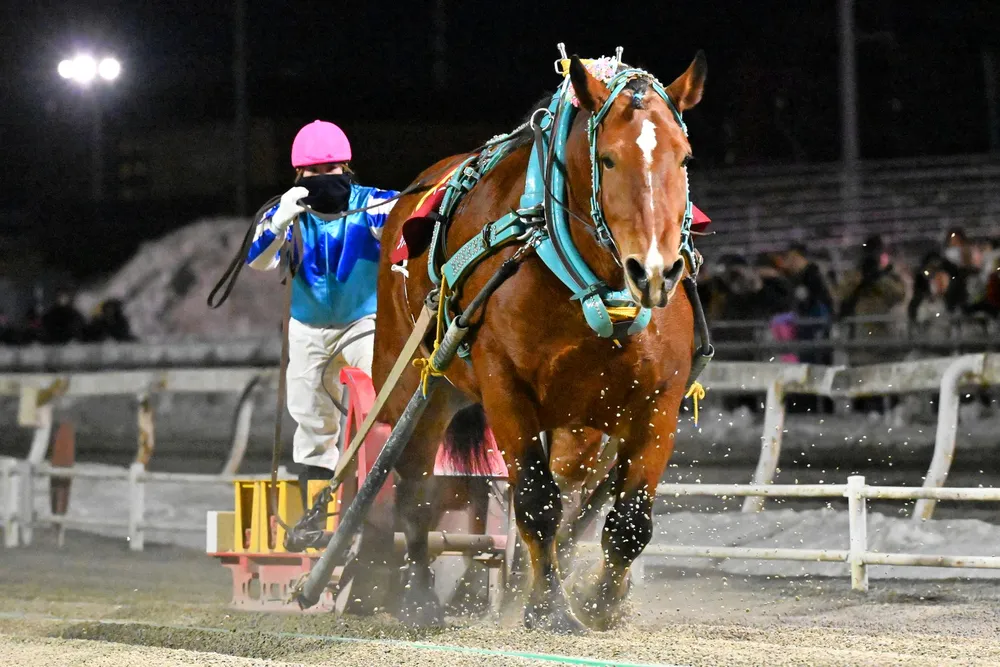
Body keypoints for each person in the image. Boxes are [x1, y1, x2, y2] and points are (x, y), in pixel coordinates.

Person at [246, 120, 399, 497]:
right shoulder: (285, 212)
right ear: (299, 174)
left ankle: (389, 491)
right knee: (311, 418)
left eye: (329, 170)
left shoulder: (373, 203)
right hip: (306, 328)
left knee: (383, 397)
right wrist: (279, 222)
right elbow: (257, 261)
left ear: (345, 168)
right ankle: (317, 509)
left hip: (365, 321)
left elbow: (407, 221)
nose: (322, 177)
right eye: (313, 171)